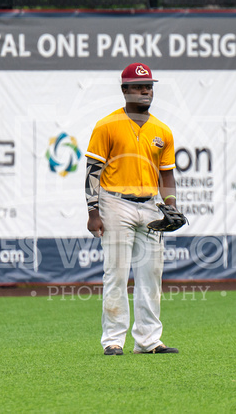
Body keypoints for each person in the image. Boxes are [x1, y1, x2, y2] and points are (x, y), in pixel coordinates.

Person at [85, 62, 183, 356]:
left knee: (151, 275)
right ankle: (113, 339)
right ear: (124, 89)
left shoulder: (162, 130)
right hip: (115, 203)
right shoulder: (106, 125)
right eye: (139, 86)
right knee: (116, 272)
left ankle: (149, 340)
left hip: (150, 205)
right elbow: (93, 170)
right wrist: (93, 211)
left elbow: (166, 173)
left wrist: (171, 206)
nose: (145, 90)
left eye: (149, 86)